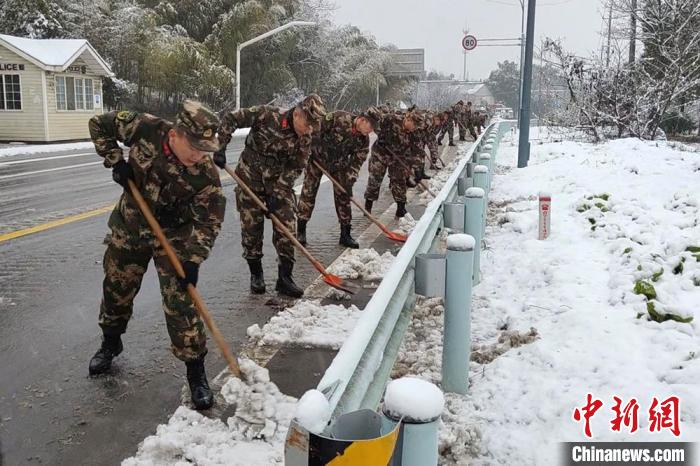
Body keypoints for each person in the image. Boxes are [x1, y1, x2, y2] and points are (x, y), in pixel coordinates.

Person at [87, 100, 226, 410]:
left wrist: (193, 259)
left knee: (181, 301)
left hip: (175, 235)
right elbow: (98, 124)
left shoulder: (205, 173)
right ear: (175, 134)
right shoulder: (144, 127)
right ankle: (110, 343)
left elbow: (210, 219)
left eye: (205, 150)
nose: (199, 156)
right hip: (132, 222)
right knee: (117, 287)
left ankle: (196, 372)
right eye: (195, 148)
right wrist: (115, 160)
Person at [214, 95, 326, 298]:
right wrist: (221, 146)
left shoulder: (306, 137)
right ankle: (256, 275)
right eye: (308, 124)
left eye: (313, 127)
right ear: (297, 114)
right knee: (251, 230)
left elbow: (296, 166)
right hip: (249, 179)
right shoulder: (267, 115)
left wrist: (278, 192)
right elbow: (232, 118)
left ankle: (285, 278)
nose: (309, 130)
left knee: (287, 228)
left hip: (278, 183)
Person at [297, 108, 379, 249]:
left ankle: (345, 234)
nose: (370, 132)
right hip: (317, 159)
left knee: (344, 195)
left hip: (338, 165)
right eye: (370, 127)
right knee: (308, 193)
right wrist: (308, 150)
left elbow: (356, 163)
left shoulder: (363, 140)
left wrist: (349, 180)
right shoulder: (338, 118)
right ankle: (301, 230)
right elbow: (314, 130)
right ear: (362, 120)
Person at [364, 110, 422, 218]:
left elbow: (417, 151)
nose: (415, 128)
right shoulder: (391, 118)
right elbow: (374, 117)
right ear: (408, 120)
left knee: (399, 179)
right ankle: (368, 206)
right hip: (380, 153)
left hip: (398, 156)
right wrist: (381, 135)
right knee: (375, 179)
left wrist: (418, 169)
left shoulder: (414, 133)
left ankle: (400, 208)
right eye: (414, 125)